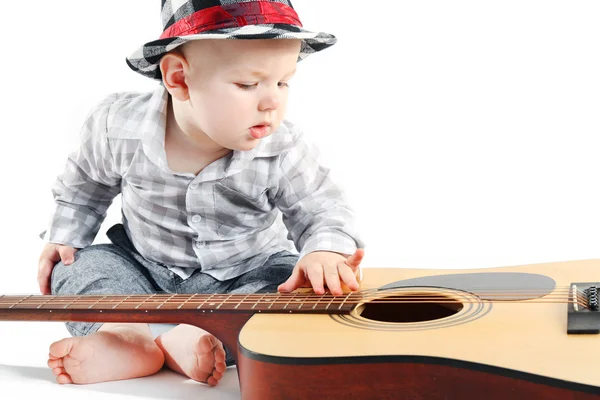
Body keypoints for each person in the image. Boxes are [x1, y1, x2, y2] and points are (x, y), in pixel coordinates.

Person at [37, 0, 365, 388]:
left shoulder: (283, 147)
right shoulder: (118, 126)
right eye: (247, 84)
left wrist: (323, 251)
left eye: (283, 81)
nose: (272, 101)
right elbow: (85, 186)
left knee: (283, 296)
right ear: (178, 78)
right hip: (143, 266)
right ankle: (122, 335)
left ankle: (192, 343)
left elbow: (321, 209)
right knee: (78, 267)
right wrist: (66, 236)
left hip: (244, 273)